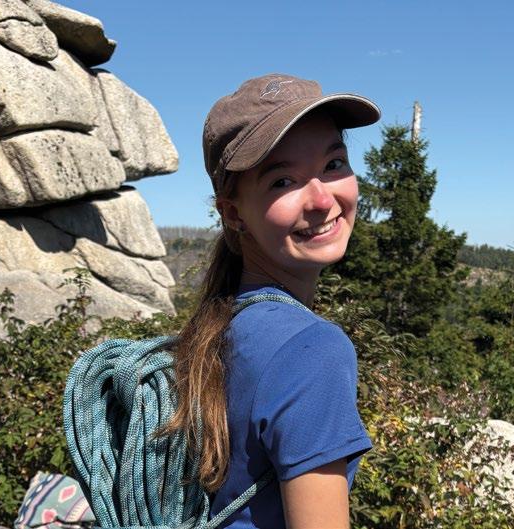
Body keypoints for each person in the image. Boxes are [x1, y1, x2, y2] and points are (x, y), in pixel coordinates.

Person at [161, 74, 381, 528]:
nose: (322, 199)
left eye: (334, 163)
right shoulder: (310, 349)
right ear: (233, 213)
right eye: (283, 181)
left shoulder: (222, 326)